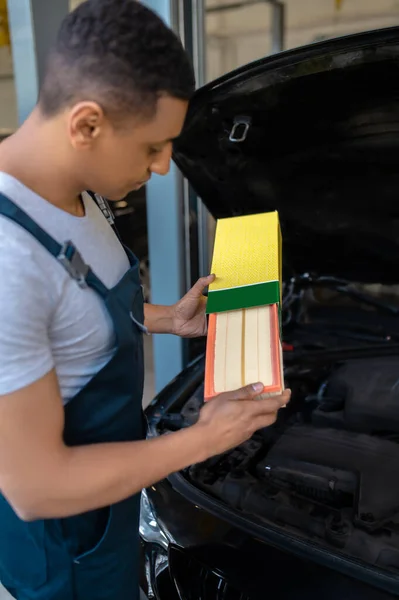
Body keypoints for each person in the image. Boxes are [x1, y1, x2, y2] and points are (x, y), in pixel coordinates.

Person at [0, 1, 291, 599]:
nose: (162, 168)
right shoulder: (9, 262)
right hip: (67, 546)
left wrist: (166, 319)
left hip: (109, 507)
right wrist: (203, 439)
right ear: (86, 125)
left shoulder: (77, 190)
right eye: (153, 147)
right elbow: (35, 486)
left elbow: (76, 312)